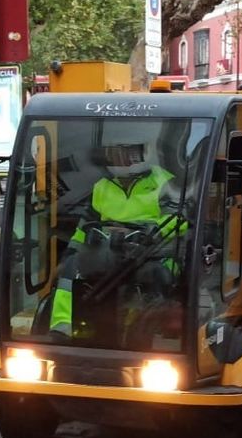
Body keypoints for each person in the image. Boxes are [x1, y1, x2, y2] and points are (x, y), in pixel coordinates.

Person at [48, 140, 188, 340]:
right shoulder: (102, 186)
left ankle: (146, 333)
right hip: (107, 249)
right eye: (114, 154)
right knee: (71, 269)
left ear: (145, 153)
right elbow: (84, 226)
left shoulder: (165, 183)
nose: (120, 159)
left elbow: (179, 219)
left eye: (127, 153)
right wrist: (71, 252)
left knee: (156, 276)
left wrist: (149, 231)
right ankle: (62, 329)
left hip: (153, 254)